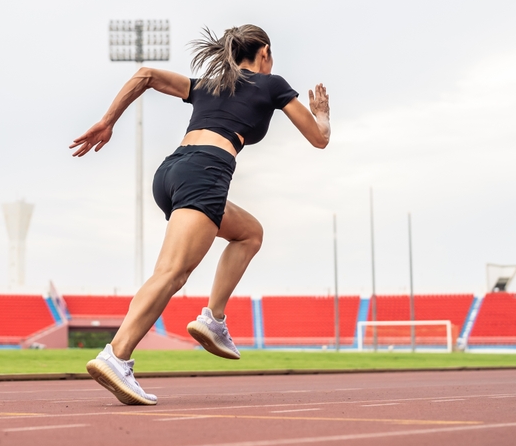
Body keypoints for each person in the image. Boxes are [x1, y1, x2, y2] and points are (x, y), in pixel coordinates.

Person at [71, 24, 331, 405]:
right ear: (264, 52)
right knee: (171, 273)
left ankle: (213, 319)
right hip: (206, 172)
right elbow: (319, 138)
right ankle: (117, 355)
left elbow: (145, 74)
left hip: (171, 172)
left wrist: (109, 120)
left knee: (249, 233)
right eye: (270, 56)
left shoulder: (211, 84)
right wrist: (322, 115)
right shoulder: (272, 84)